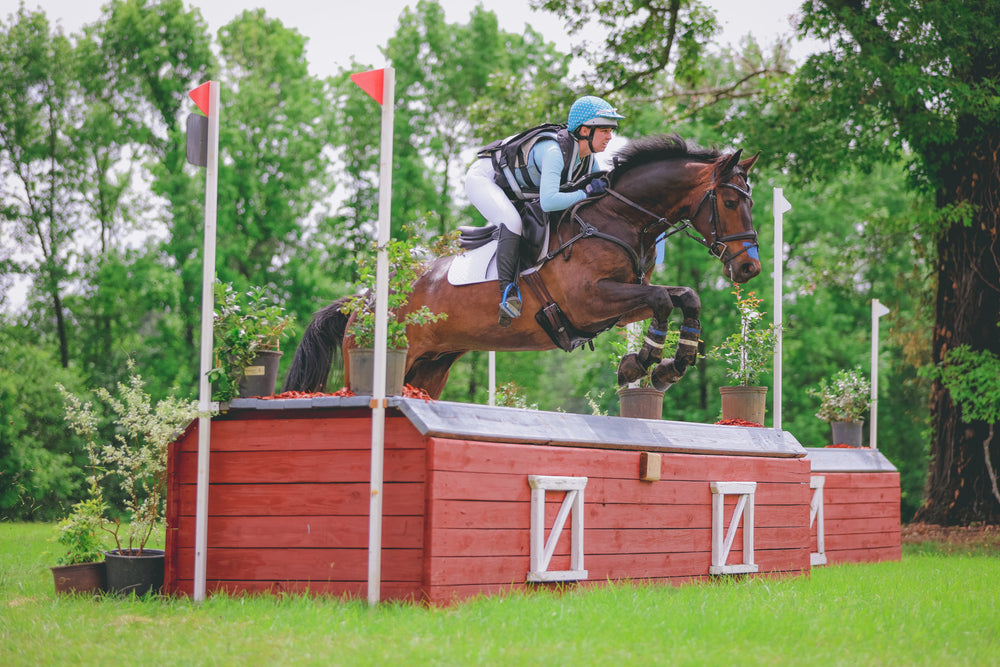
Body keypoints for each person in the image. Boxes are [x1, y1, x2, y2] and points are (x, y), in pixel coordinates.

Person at [466, 95, 625, 326]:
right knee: (512, 222)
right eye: (604, 129)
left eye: (611, 130)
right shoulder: (554, 151)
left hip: (516, 190)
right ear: (583, 131)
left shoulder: (588, 160)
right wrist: (586, 193)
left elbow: (599, 193)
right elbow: (549, 202)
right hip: (483, 179)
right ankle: (507, 293)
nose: (610, 136)